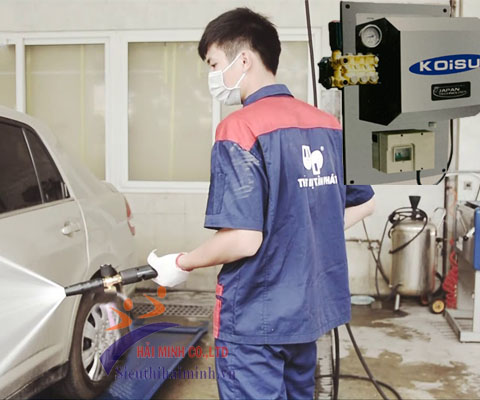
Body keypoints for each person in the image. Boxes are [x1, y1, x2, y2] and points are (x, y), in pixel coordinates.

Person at [148, 7, 375, 399]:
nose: (213, 76)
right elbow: (365, 204)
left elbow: (243, 239)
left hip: (255, 318)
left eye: (214, 64)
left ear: (244, 60)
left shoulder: (240, 128)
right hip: (306, 314)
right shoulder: (327, 124)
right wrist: (305, 227)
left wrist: (181, 263)